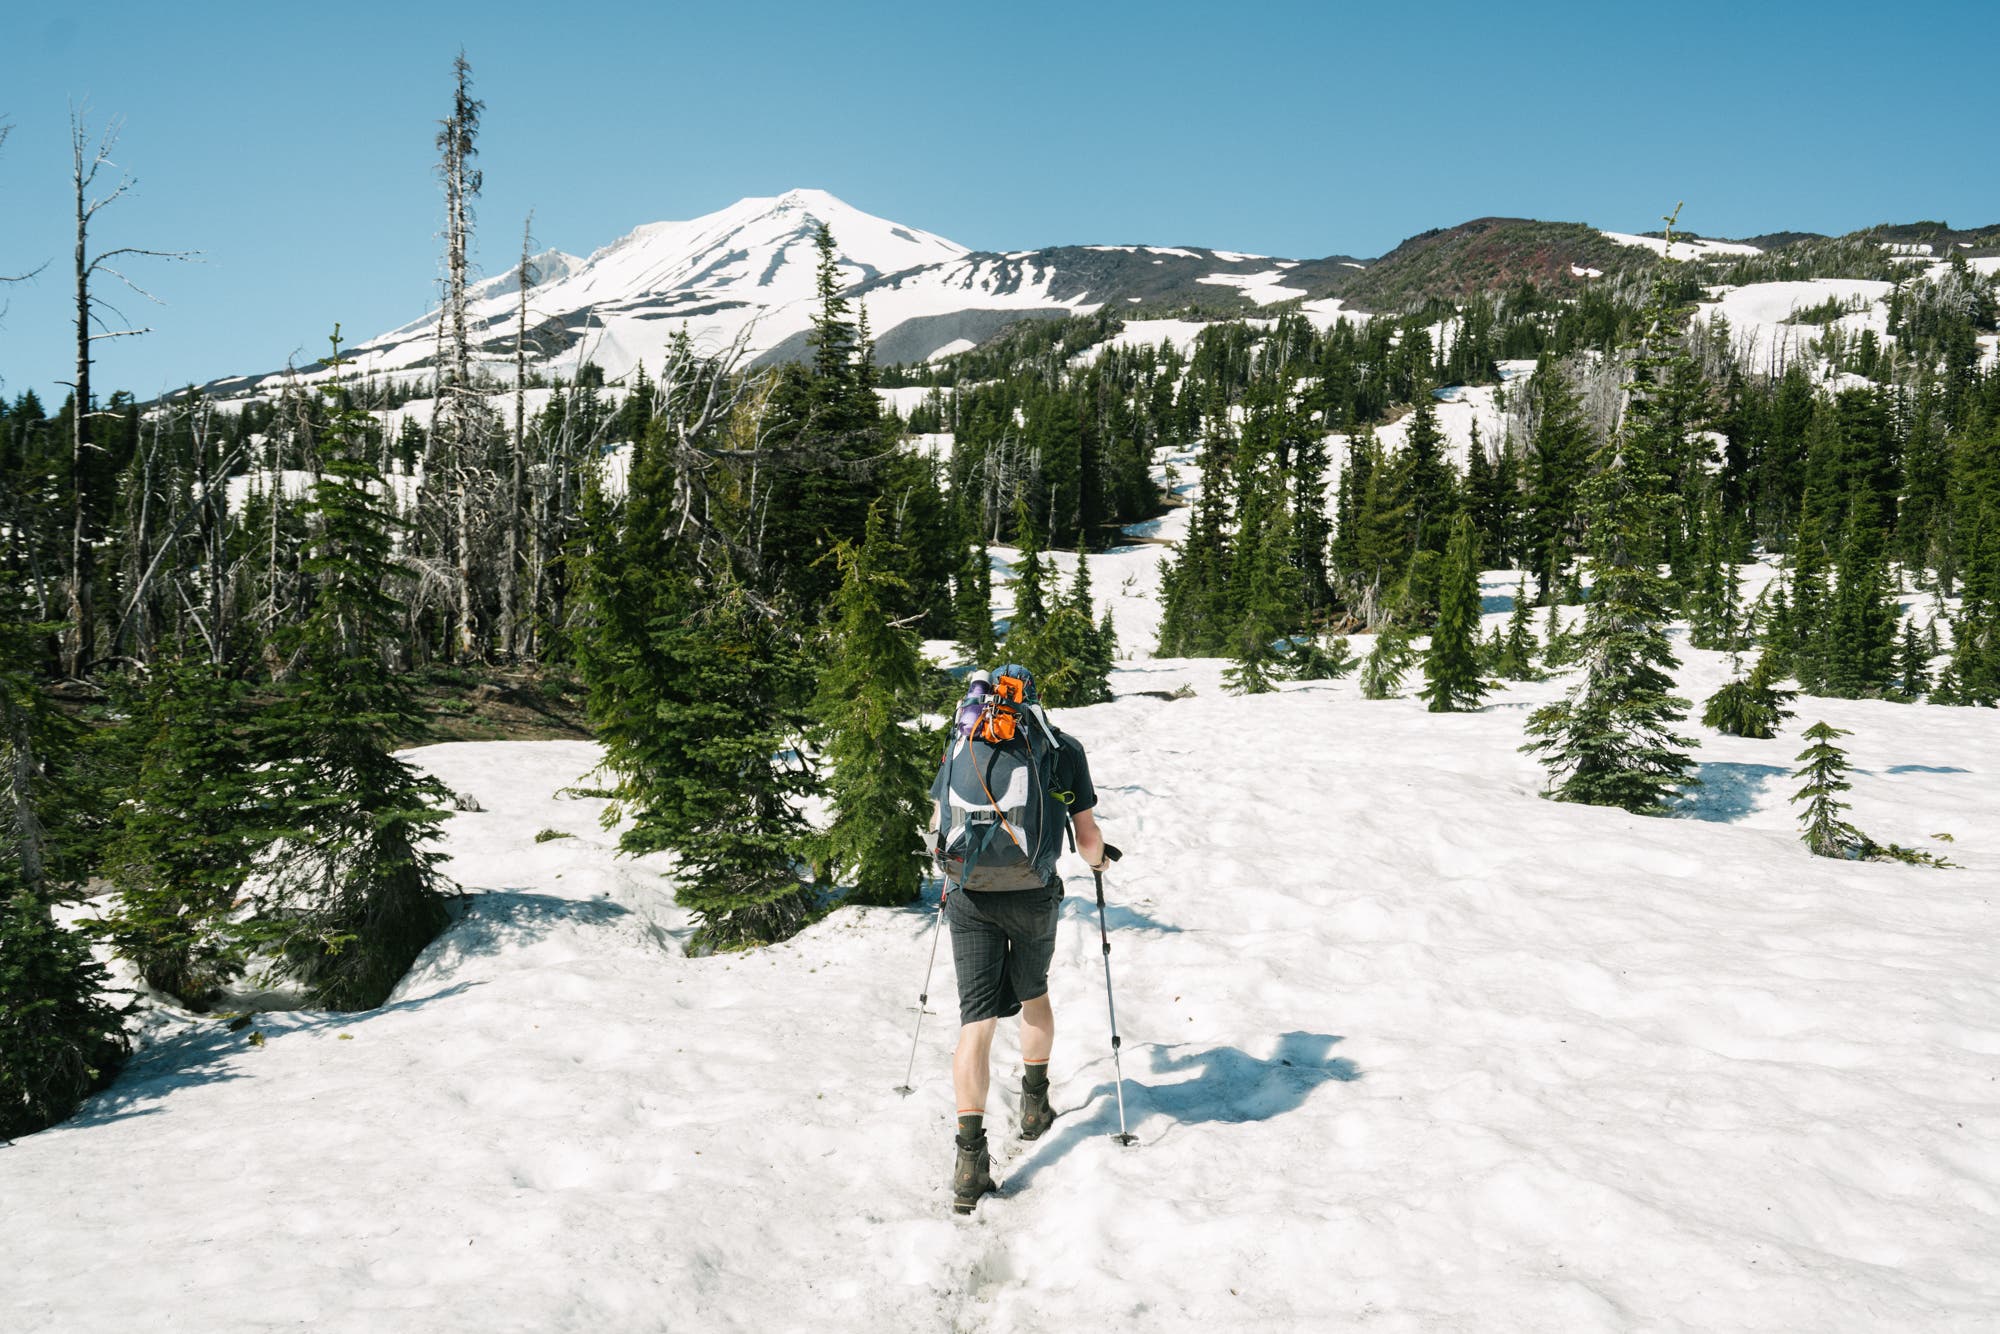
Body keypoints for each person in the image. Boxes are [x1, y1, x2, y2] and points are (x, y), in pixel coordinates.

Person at [929, 663, 1106, 1214]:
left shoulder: (962, 739)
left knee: (975, 1021)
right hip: (1033, 893)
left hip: (970, 896)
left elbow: (941, 819)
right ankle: (1034, 1106)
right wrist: (1100, 864)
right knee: (1033, 993)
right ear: (1032, 697)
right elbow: (1087, 838)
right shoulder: (1060, 746)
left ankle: (968, 1160)